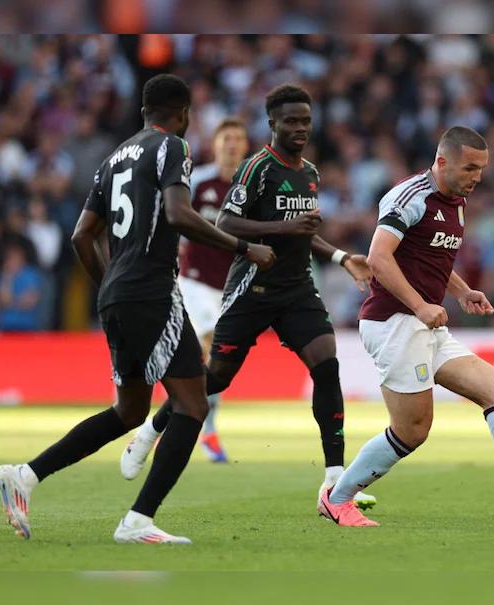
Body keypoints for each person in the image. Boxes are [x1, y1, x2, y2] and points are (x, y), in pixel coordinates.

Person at [0, 74, 275, 544]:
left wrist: (110, 288)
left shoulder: (112, 159)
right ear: (182, 114)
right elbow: (178, 214)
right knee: (191, 403)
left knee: (129, 410)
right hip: (152, 291)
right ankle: (138, 520)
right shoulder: (173, 149)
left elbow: (82, 235)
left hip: (117, 295)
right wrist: (244, 248)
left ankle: (25, 475)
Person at [318, 126, 494, 527]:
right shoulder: (409, 197)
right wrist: (419, 305)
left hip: (424, 325)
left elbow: (428, 256)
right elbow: (379, 258)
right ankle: (337, 498)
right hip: (394, 322)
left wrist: (462, 291)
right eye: (470, 167)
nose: (477, 176)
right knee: (412, 430)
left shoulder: (457, 202)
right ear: (442, 161)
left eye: (481, 168)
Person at [120, 84, 377, 510]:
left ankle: (336, 482)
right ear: (272, 123)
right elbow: (228, 222)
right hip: (250, 289)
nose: (299, 128)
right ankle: (151, 429)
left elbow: (304, 233)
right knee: (216, 378)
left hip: (296, 290)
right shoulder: (257, 168)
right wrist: (280, 230)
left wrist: (341, 255)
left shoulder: (309, 173)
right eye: (291, 121)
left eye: (305, 121)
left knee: (327, 366)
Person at [173, 117, 249, 463]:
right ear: (215, 144)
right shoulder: (198, 180)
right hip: (193, 280)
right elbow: (171, 214)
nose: (231, 144)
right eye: (226, 138)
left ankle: (175, 419)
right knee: (211, 344)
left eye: (237, 139)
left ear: (245, 146)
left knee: (215, 361)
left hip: (230, 287)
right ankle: (205, 429)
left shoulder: (250, 187)